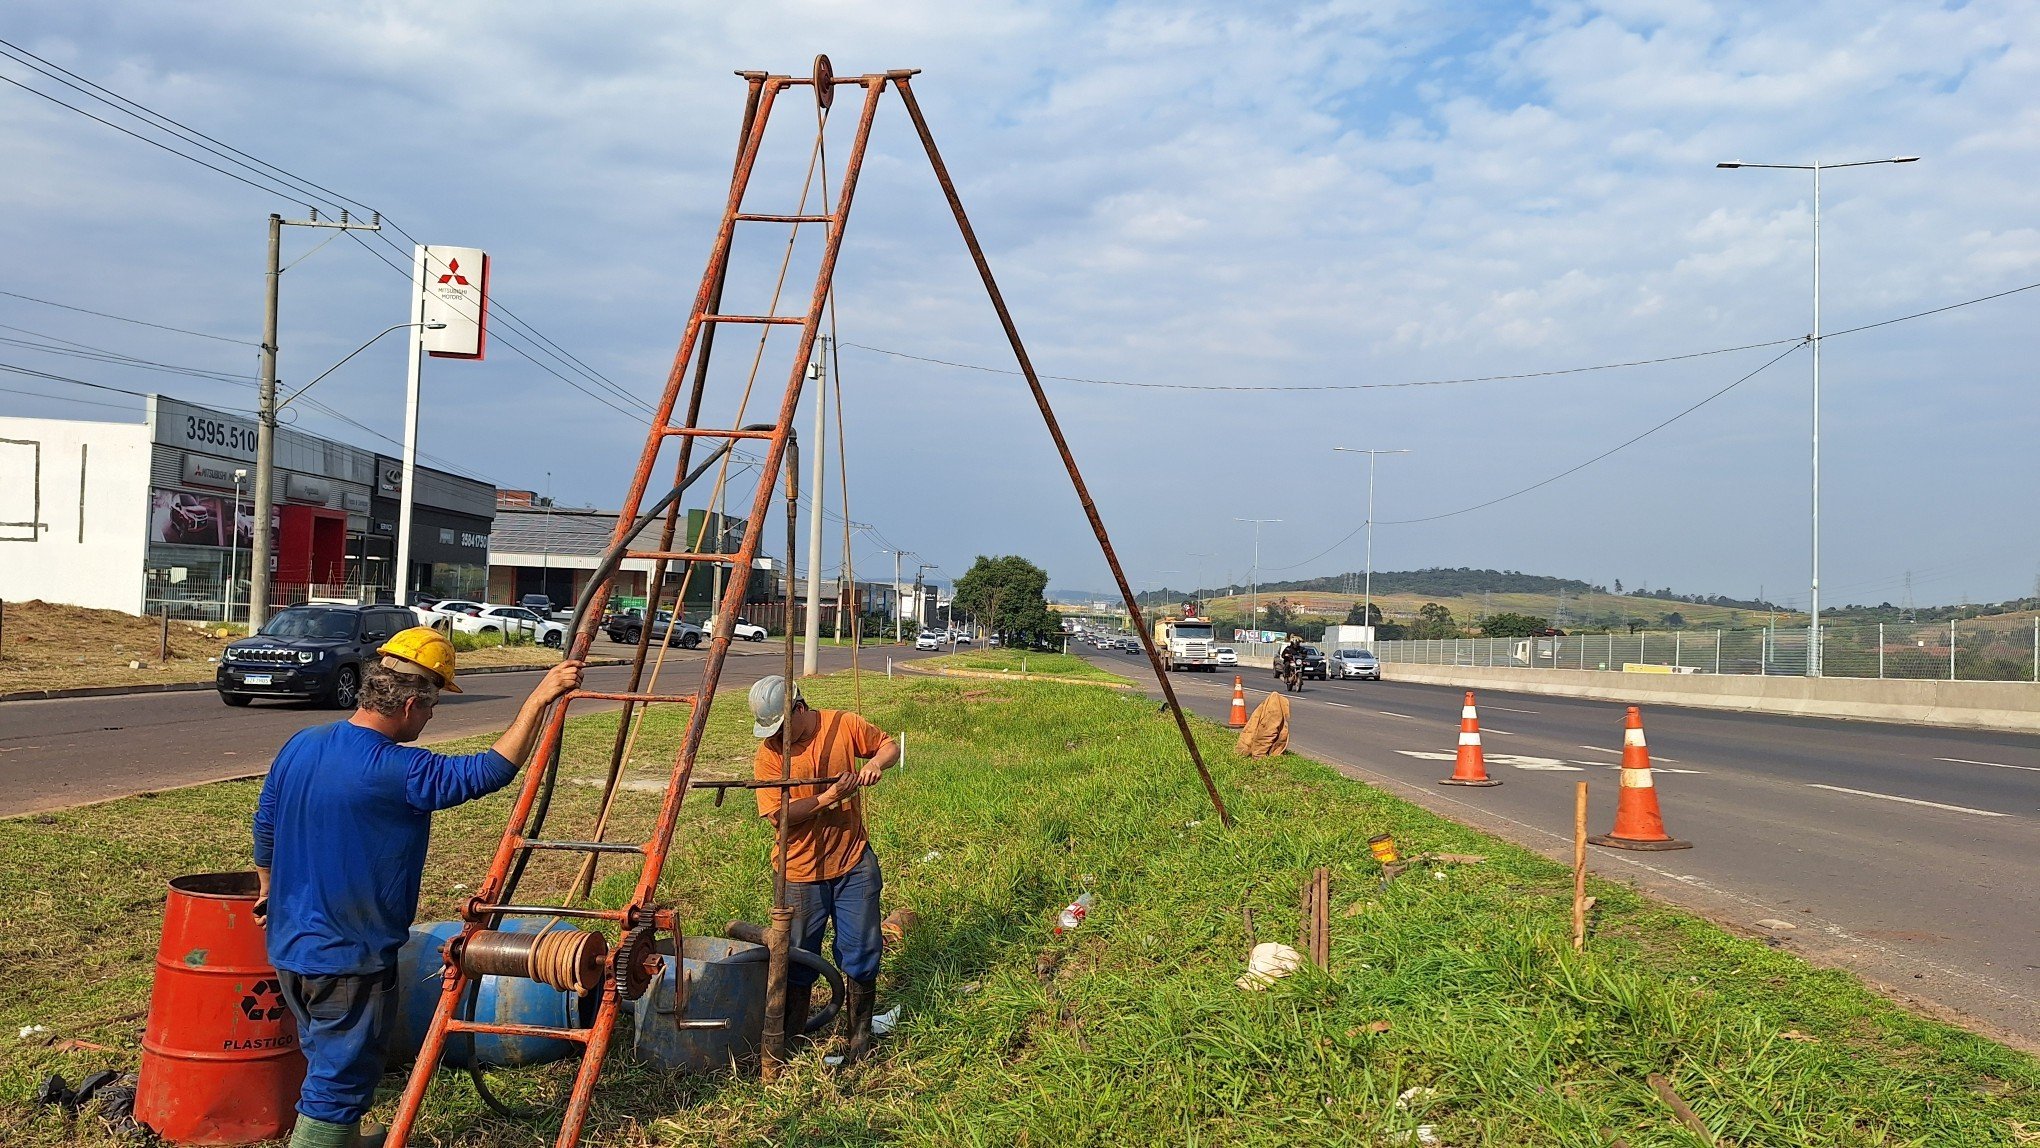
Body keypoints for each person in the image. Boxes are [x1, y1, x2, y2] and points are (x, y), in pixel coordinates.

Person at [251, 627, 583, 1148]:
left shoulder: (303, 745)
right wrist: (538, 699)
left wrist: (269, 886)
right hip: (349, 959)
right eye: (430, 710)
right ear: (408, 703)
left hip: (289, 948)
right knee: (340, 1080)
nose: (429, 720)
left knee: (324, 1052)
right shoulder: (399, 769)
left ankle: (346, 1140)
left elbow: (267, 820)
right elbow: (491, 771)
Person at [749, 675, 899, 1063]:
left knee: (863, 951)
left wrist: (876, 766)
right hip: (799, 871)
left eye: (782, 728)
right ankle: (791, 1041)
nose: (778, 738)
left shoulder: (843, 725)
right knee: (797, 958)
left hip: (853, 861)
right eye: (771, 732)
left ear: (800, 709)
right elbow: (778, 817)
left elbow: (888, 745)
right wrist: (830, 796)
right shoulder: (769, 755)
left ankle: (858, 1042)